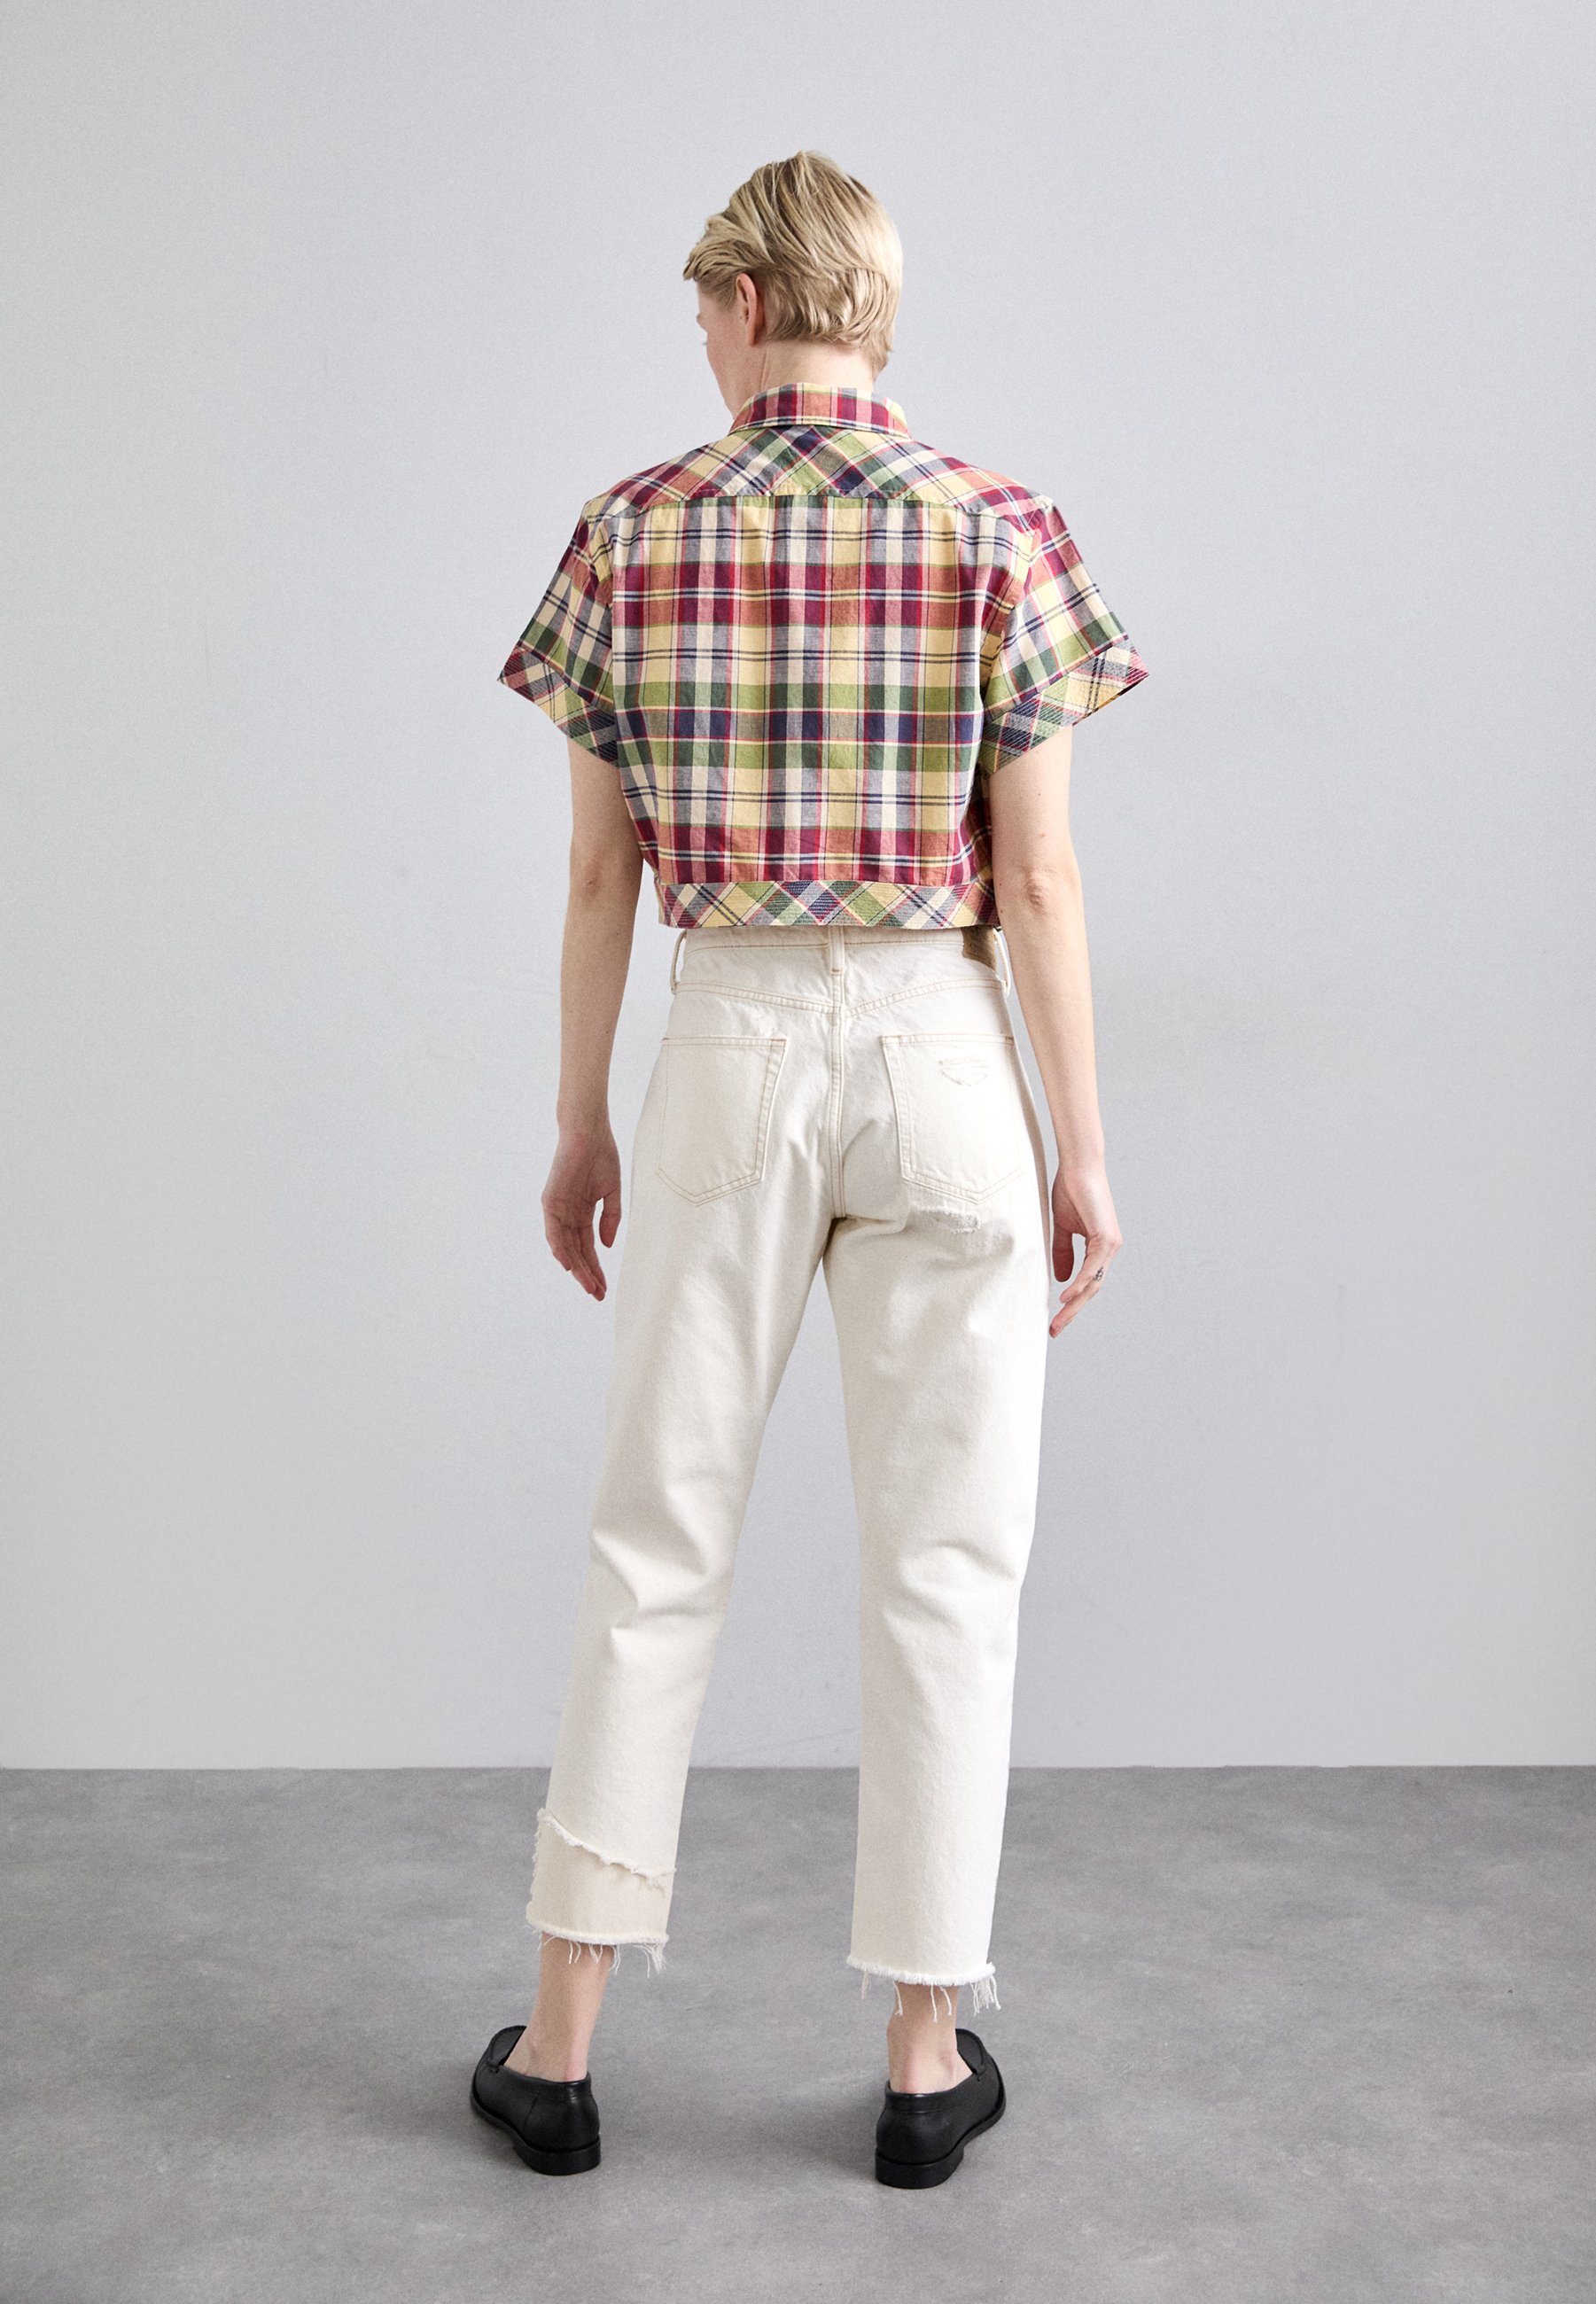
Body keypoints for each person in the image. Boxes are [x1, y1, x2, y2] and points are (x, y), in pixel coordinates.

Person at [470, 150, 1148, 2189]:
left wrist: (579, 1116)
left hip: (731, 1046)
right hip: (944, 1052)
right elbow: (1038, 878)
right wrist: (1081, 1146)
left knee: (654, 1537)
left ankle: (560, 2049)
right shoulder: (999, 526)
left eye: (704, 304)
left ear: (756, 302)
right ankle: (926, 2061)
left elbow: (600, 874)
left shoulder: (631, 528)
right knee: (946, 1563)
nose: (698, 337)